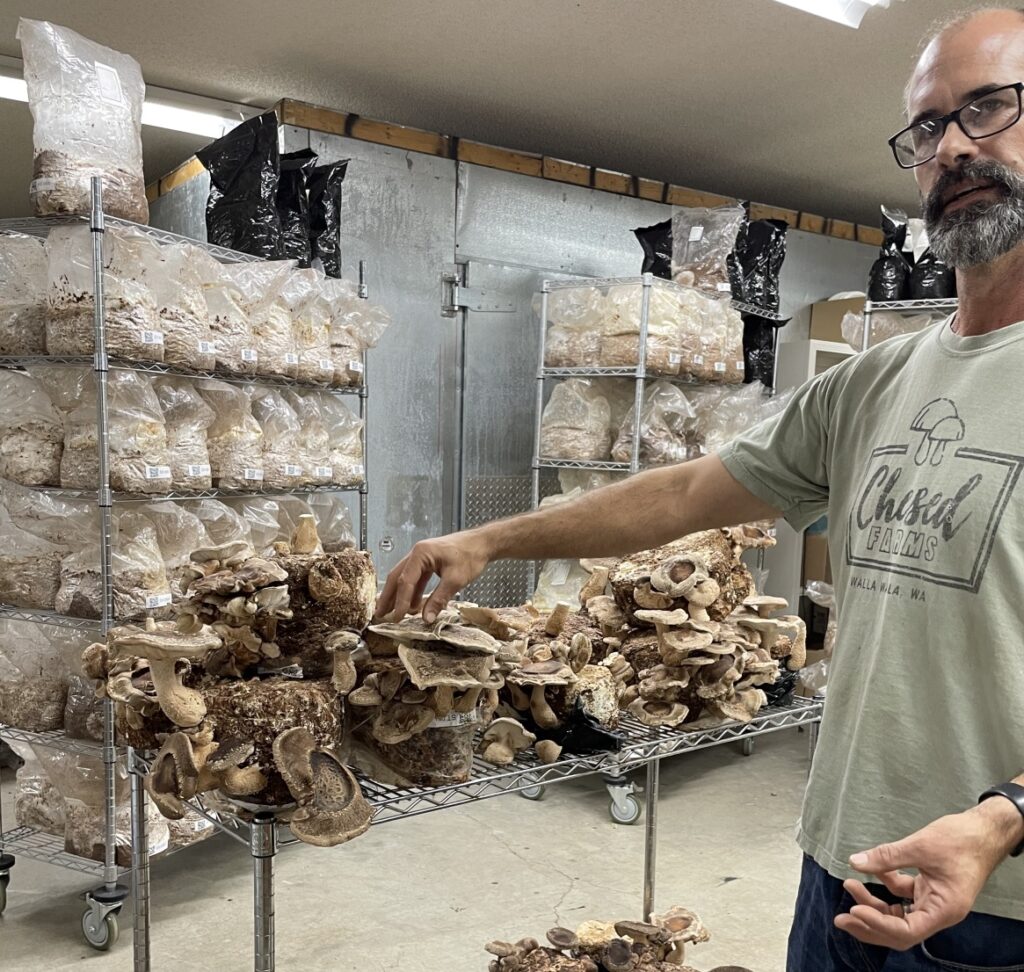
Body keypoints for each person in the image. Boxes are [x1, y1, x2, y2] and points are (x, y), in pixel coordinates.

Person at [376, 8, 1024, 969]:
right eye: (928, 128)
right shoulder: (873, 381)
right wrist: (492, 540)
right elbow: (686, 496)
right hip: (841, 860)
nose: (955, 147)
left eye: (991, 107)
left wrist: (1003, 820)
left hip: (1000, 904)